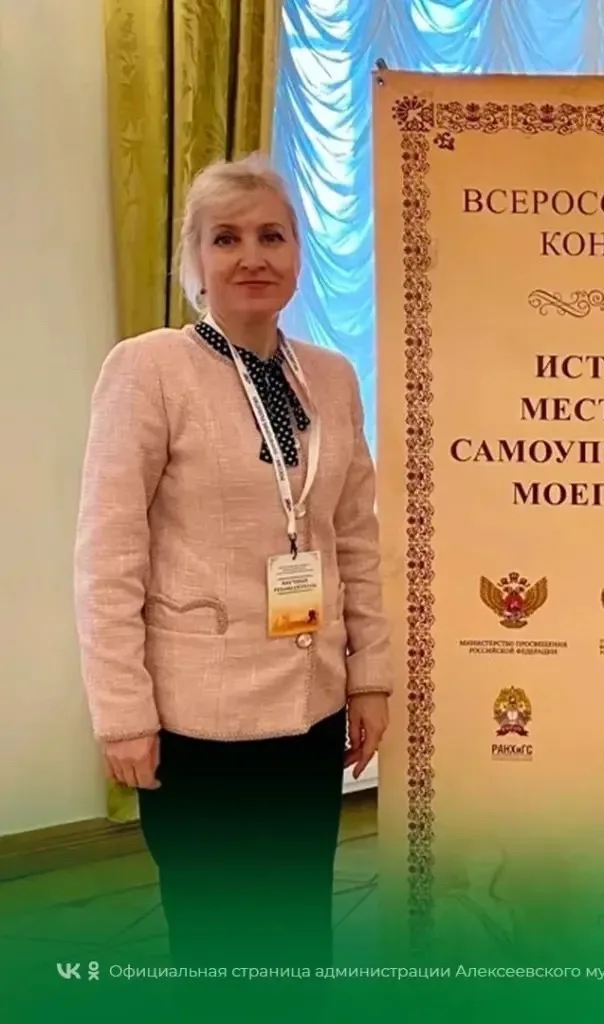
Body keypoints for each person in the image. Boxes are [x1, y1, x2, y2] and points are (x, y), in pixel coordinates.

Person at [73, 153, 392, 968]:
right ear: (196, 260)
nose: (253, 256)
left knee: (299, 925)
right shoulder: (149, 369)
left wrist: (370, 678)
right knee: (217, 935)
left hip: (309, 705)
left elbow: (355, 536)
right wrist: (123, 714)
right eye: (227, 238)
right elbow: (109, 555)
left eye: (272, 236)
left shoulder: (330, 376)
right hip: (199, 719)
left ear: (297, 255)